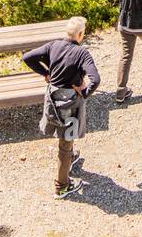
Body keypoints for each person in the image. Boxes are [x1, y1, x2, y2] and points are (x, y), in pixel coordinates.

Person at [23, 16, 100, 198]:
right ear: (80, 35)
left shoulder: (53, 46)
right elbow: (95, 79)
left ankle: (70, 158)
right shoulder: (82, 54)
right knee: (65, 144)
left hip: (52, 99)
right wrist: (85, 91)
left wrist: (46, 73)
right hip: (70, 104)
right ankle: (62, 186)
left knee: (65, 140)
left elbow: (27, 57)